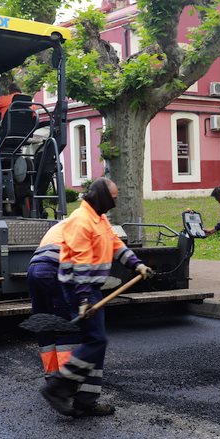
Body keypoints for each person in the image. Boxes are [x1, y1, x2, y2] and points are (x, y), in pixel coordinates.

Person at [42, 178, 154, 417]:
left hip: (90, 288)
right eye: (113, 197)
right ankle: (57, 387)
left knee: (95, 343)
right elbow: (80, 264)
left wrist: (137, 264)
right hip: (77, 289)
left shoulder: (99, 218)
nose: (114, 202)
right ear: (102, 197)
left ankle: (86, 400)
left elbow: (115, 244)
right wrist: (83, 301)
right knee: (95, 341)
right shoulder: (80, 221)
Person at [27, 219, 75, 382]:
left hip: (33, 269)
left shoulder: (62, 225)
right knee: (63, 326)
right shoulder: (86, 227)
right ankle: (64, 380)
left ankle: (51, 375)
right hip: (52, 269)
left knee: (44, 323)